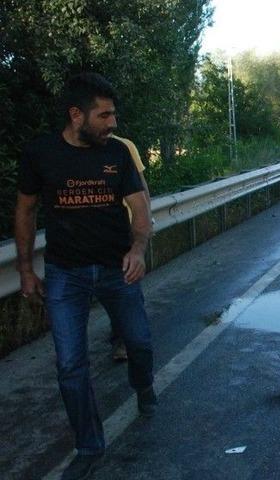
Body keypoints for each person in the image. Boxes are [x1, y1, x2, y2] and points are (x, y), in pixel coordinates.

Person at [14, 72, 155, 480]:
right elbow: (25, 210)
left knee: (140, 344)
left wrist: (138, 249)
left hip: (116, 269)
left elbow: (141, 208)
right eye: (104, 115)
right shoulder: (41, 153)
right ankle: (89, 446)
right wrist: (25, 269)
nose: (113, 124)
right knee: (71, 365)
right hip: (65, 275)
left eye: (113, 115)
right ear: (77, 115)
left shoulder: (117, 154)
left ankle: (143, 384)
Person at [108, 134, 151, 363]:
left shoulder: (124, 146)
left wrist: (145, 221)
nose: (110, 122)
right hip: (94, 232)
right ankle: (123, 333)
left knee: (127, 283)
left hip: (126, 228)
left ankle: (127, 339)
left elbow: (141, 185)